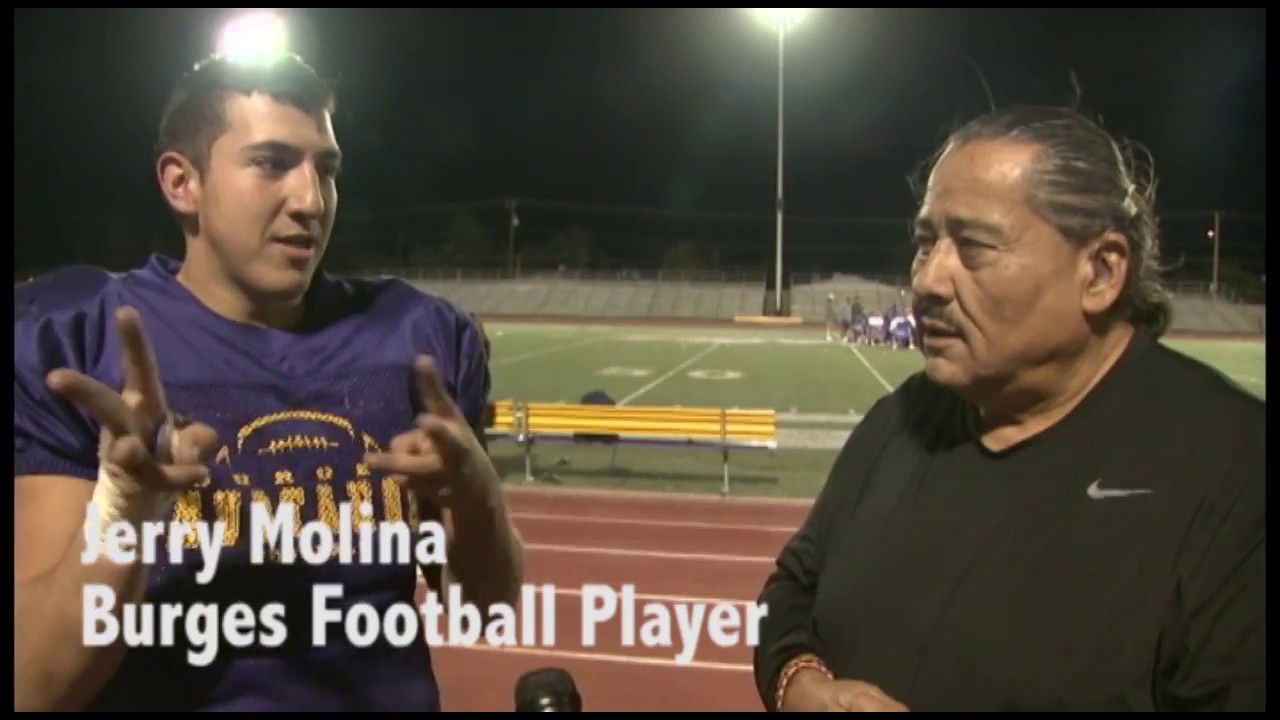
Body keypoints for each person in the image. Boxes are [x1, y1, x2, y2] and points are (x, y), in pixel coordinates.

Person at [14, 52, 524, 711]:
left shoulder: (420, 339)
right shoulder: (77, 338)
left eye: (327, 170)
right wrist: (124, 513)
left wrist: (478, 501)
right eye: (272, 163)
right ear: (182, 183)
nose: (311, 201)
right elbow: (33, 684)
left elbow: (485, 608)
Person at [753, 105, 1265, 712]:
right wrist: (800, 684)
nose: (928, 281)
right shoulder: (900, 420)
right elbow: (788, 590)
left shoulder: (1235, 471)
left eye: (973, 245)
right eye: (925, 243)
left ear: (1100, 271)